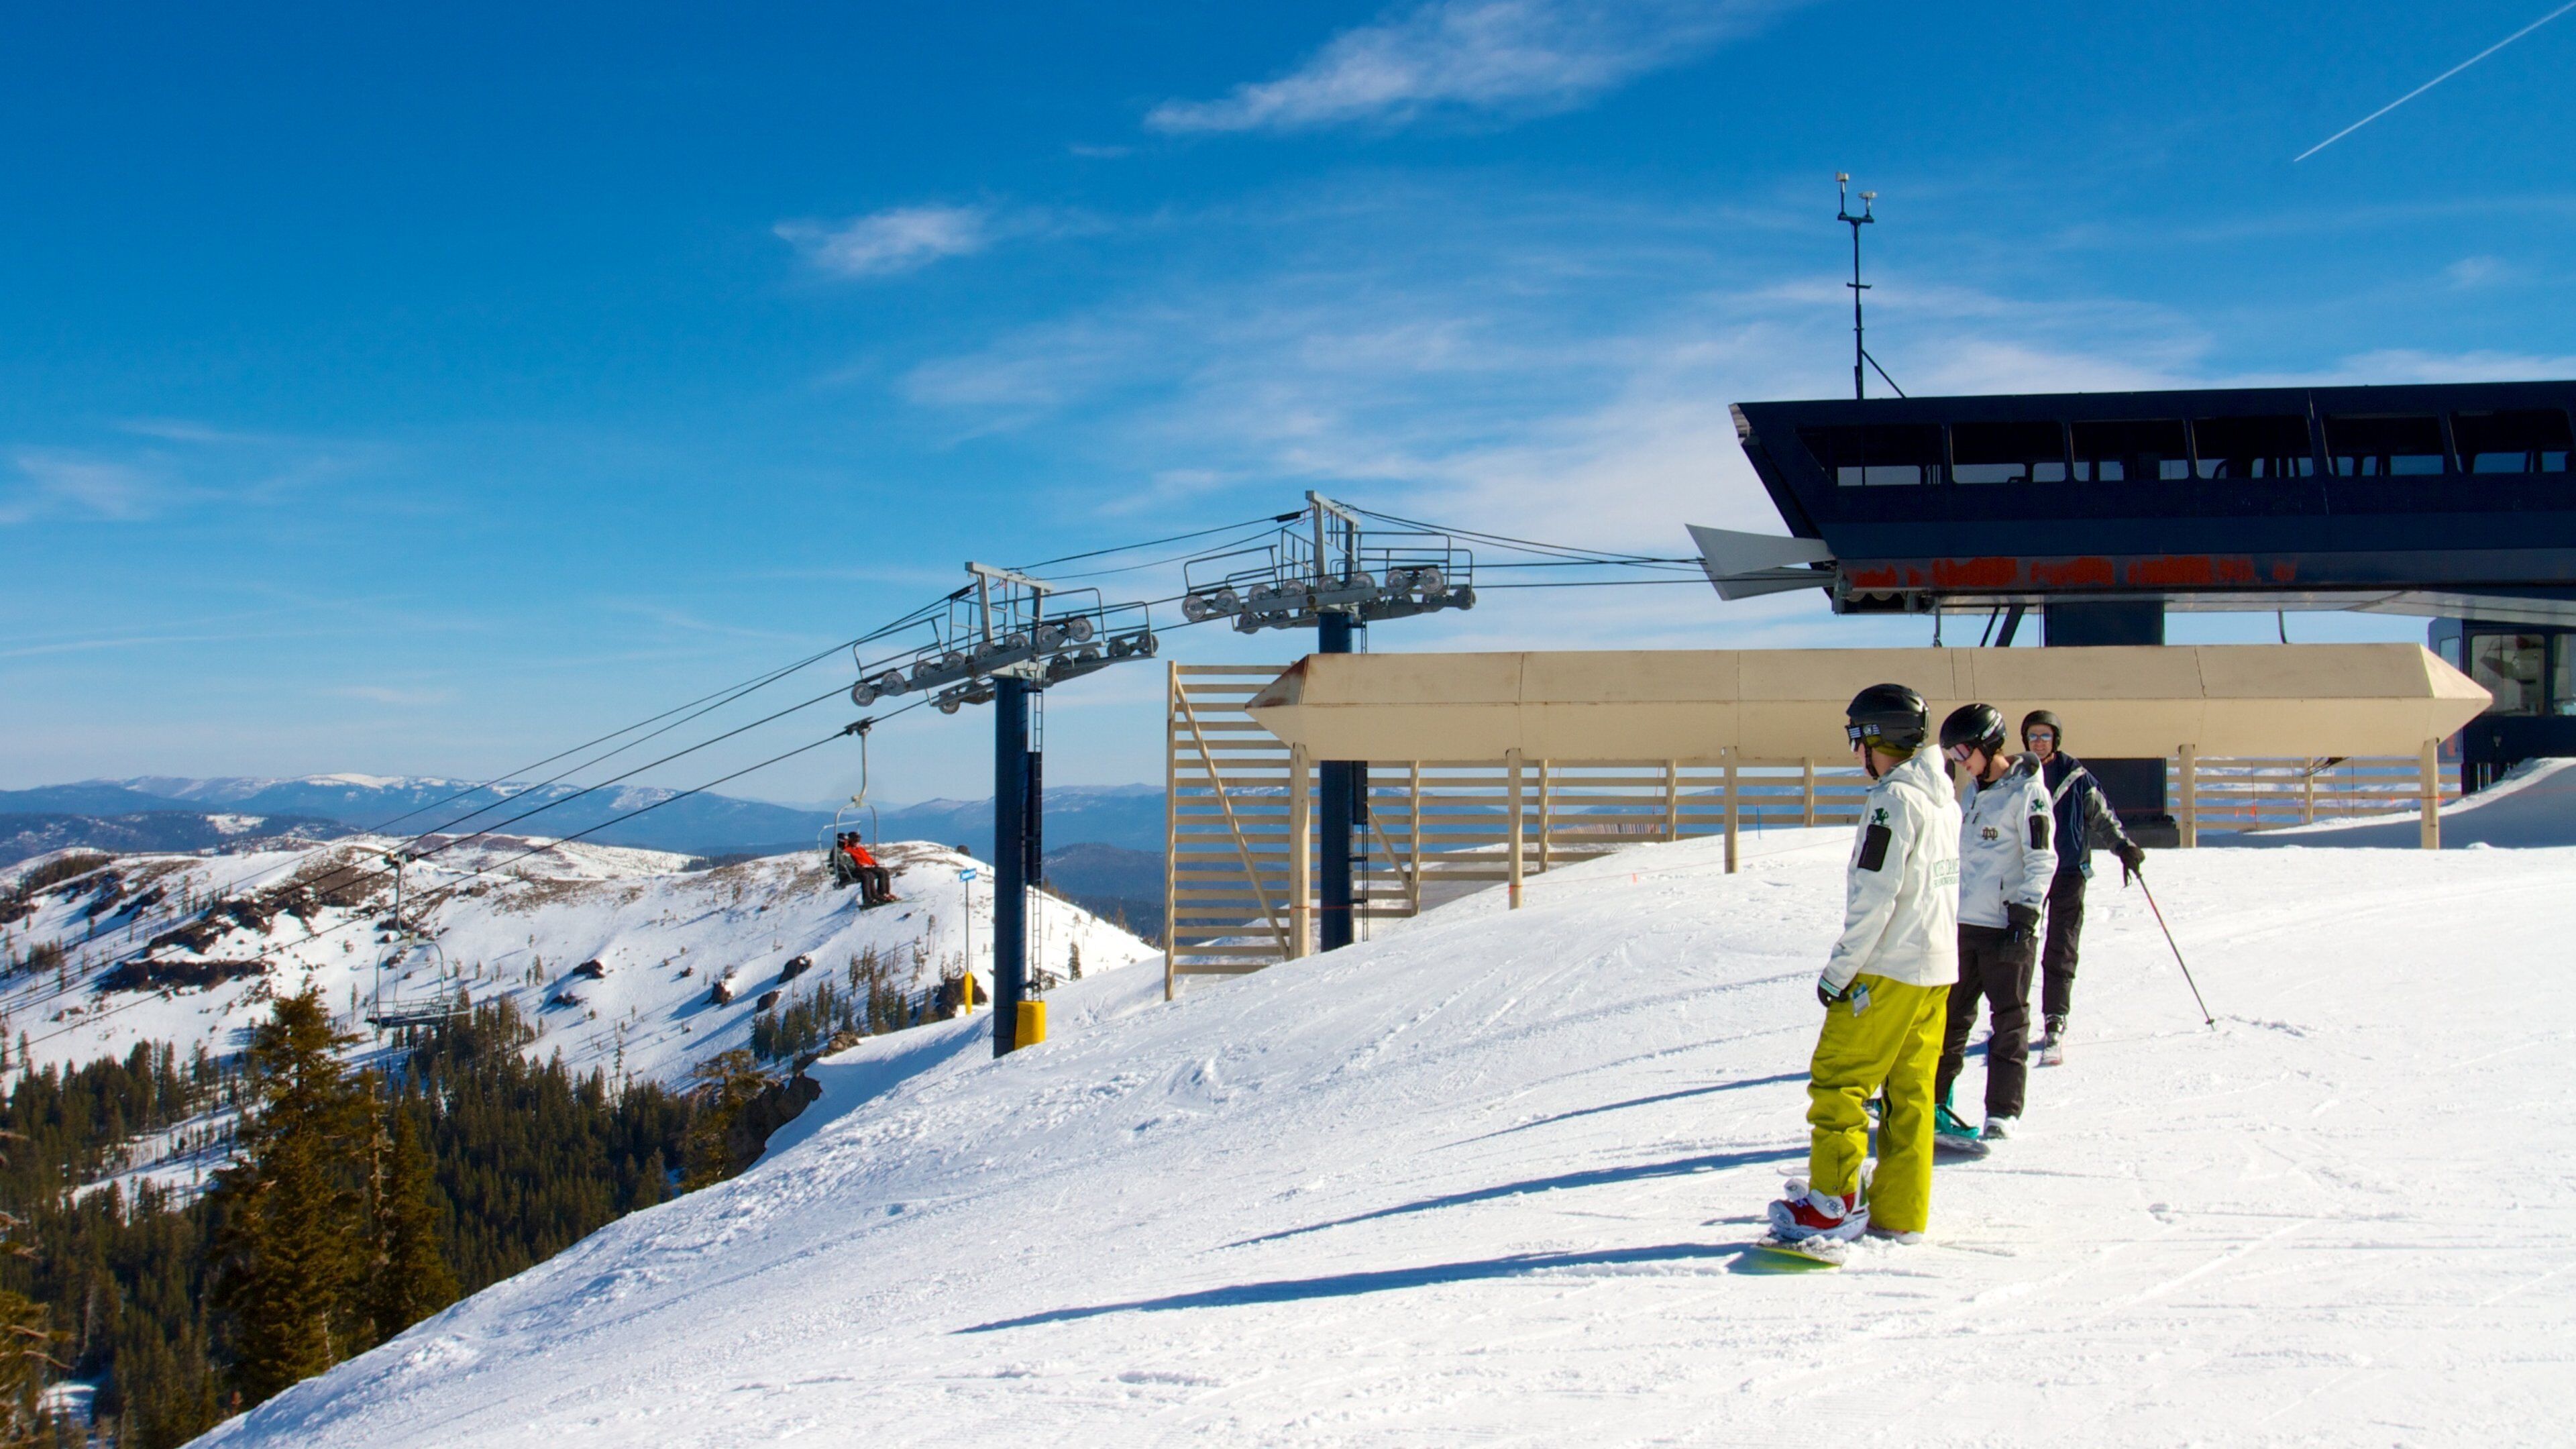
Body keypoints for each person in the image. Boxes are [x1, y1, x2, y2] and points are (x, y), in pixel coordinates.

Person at [1766, 684, 1960, 1249]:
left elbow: (1877, 894)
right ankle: (1901, 1210)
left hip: (1885, 969)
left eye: (1859, 740)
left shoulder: (1892, 801)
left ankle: (1832, 1204)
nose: (1856, 755)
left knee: (1840, 1083)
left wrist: (1839, 972)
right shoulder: (1943, 799)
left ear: (1883, 739)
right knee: (1910, 1094)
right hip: (1934, 971)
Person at [1933, 703, 2056, 1144]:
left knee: (2008, 1021)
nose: (1959, 760)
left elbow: (2043, 857)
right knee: (1949, 1018)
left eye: (1964, 750)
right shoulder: (1971, 793)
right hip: (1965, 923)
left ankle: (2002, 1112)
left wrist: (2025, 911)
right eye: (1951, 754)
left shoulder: (2028, 794)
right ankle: (1934, 1103)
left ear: (1989, 743)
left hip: (2008, 927)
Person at [2020, 710, 2147, 1053]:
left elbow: (2102, 817)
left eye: (2045, 736)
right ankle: (2011, 1018)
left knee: (2061, 946)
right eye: (2033, 736)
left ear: (2056, 740)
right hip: (2027, 872)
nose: (2039, 742)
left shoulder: (2076, 777)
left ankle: (2055, 1017)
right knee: (2017, 947)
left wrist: (2123, 847)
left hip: (2069, 872)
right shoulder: (2018, 776)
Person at [835, 832, 896, 907]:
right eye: (856, 840)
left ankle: (885, 893)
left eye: (858, 840)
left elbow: (867, 858)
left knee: (884, 871)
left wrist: (874, 863)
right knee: (873, 874)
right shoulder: (849, 849)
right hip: (862, 868)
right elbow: (855, 860)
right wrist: (862, 865)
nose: (858, 842)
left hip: (868, 866)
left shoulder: (859, 849)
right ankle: (871, 897)